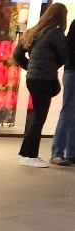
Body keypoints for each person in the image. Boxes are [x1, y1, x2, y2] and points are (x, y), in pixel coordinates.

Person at [14, 2, 68, 168]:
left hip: (33, 78)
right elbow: (66, 55)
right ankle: (29, 155)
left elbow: (17, 54)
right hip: (44, 79)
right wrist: (52, 66)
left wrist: (30, 67)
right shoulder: (55, 34)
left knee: (36, 116)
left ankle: (28, 154)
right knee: (39, 117)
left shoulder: (34, 31)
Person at [49, 18, 75, 166]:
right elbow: (69, 50)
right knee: (68, 112)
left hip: (71, 71)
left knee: (71, 112)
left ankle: (71, 152)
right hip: (73, 71)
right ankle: (57, 152)